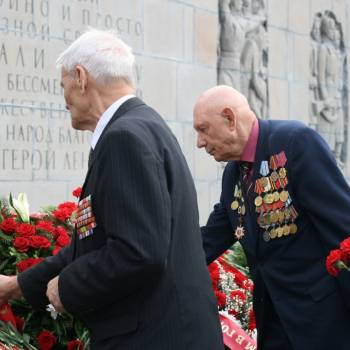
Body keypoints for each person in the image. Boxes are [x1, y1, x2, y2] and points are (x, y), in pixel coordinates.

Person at [0, 29, 224, 350]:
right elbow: (94, 246)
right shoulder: (142, 126)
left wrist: (68, 287)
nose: (63, 99)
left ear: (80, 77)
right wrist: (15, 286)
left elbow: (138, 251)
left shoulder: (124, 138)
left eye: (63, 85)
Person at [193, 85, 350, 350]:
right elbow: (211, 238)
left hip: (323, 325)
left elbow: (342, 230)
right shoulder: (233, 173)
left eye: (203, 129)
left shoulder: (296, 143)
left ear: (230, 119)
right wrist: (162, 257)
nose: (199, 142)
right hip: (275, 327)